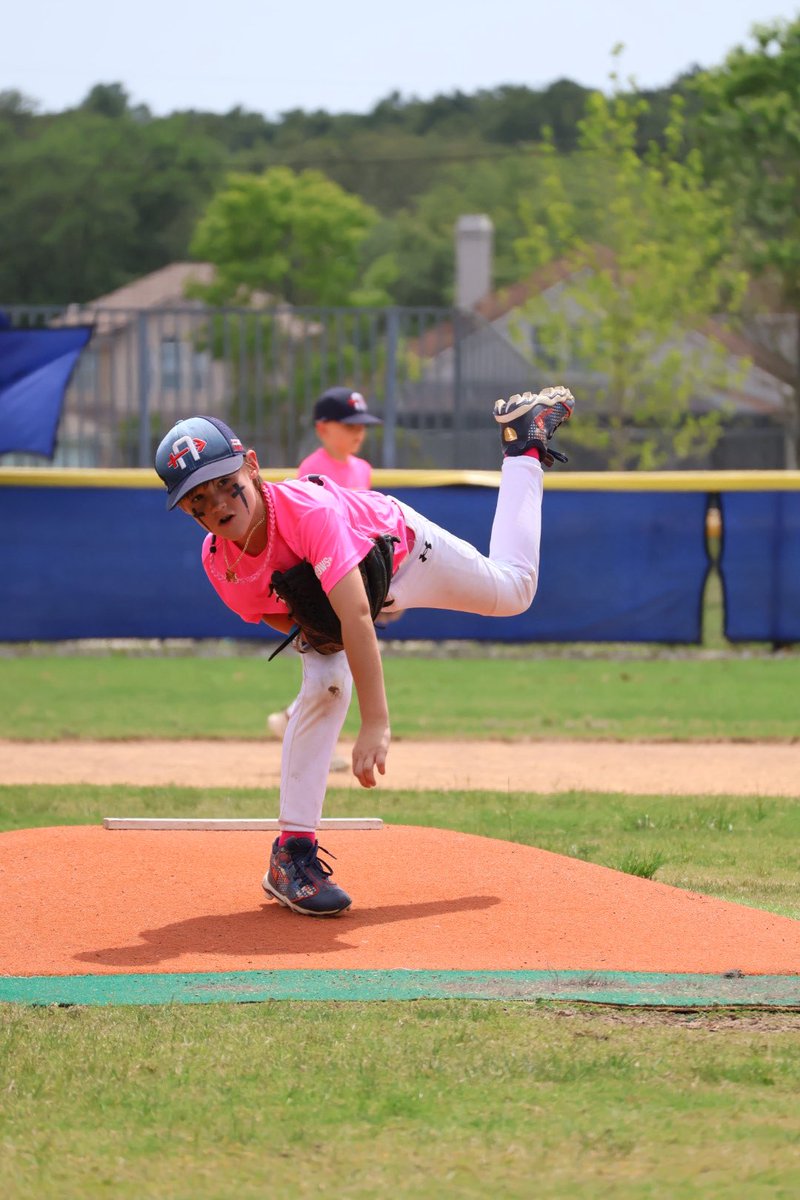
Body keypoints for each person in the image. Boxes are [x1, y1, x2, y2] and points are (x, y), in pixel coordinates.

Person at [154, 385, 575, 918]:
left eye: (225, 485)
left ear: (252, 466)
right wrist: (313, 631)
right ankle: (292, 854)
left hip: (399, 552)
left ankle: (524, 447)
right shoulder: (220, 562)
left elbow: (355, 615)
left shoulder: (303, 513)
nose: (216, 504)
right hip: (340, 587)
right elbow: (273, 611)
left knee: (515, 591)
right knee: (326, 684)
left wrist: (375, 721)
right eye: (197, 499)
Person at [266, 385, 382, 750]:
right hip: (325, 576)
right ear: (323, 429)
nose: (358, 431)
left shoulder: (363, 469)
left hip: (358, 574)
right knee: (336, 662)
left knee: (343, 663)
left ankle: (292, 722)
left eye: (361, 425)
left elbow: (367, 526)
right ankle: (304, 733)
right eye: (348, 425)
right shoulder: (312, 469)